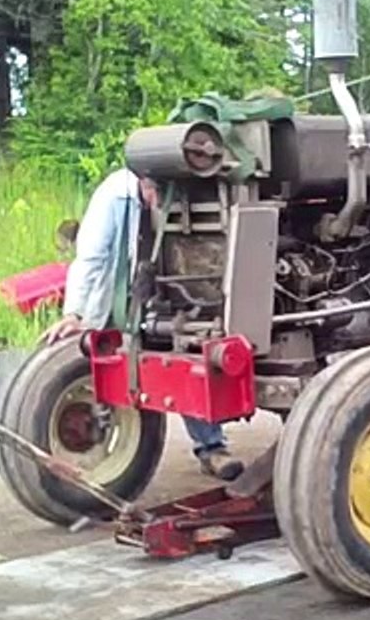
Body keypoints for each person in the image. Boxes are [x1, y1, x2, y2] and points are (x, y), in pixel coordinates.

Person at [40, 166, 245, 481]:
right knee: (110, 367)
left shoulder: (183, 192)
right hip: (112, 299)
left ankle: (211, 448)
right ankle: (105, 436)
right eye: (155, 195)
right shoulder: (113, 197)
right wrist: (74, 313)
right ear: (143, 183)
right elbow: (91, 257)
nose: (158, 203)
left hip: (157, 292)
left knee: (185, 350)